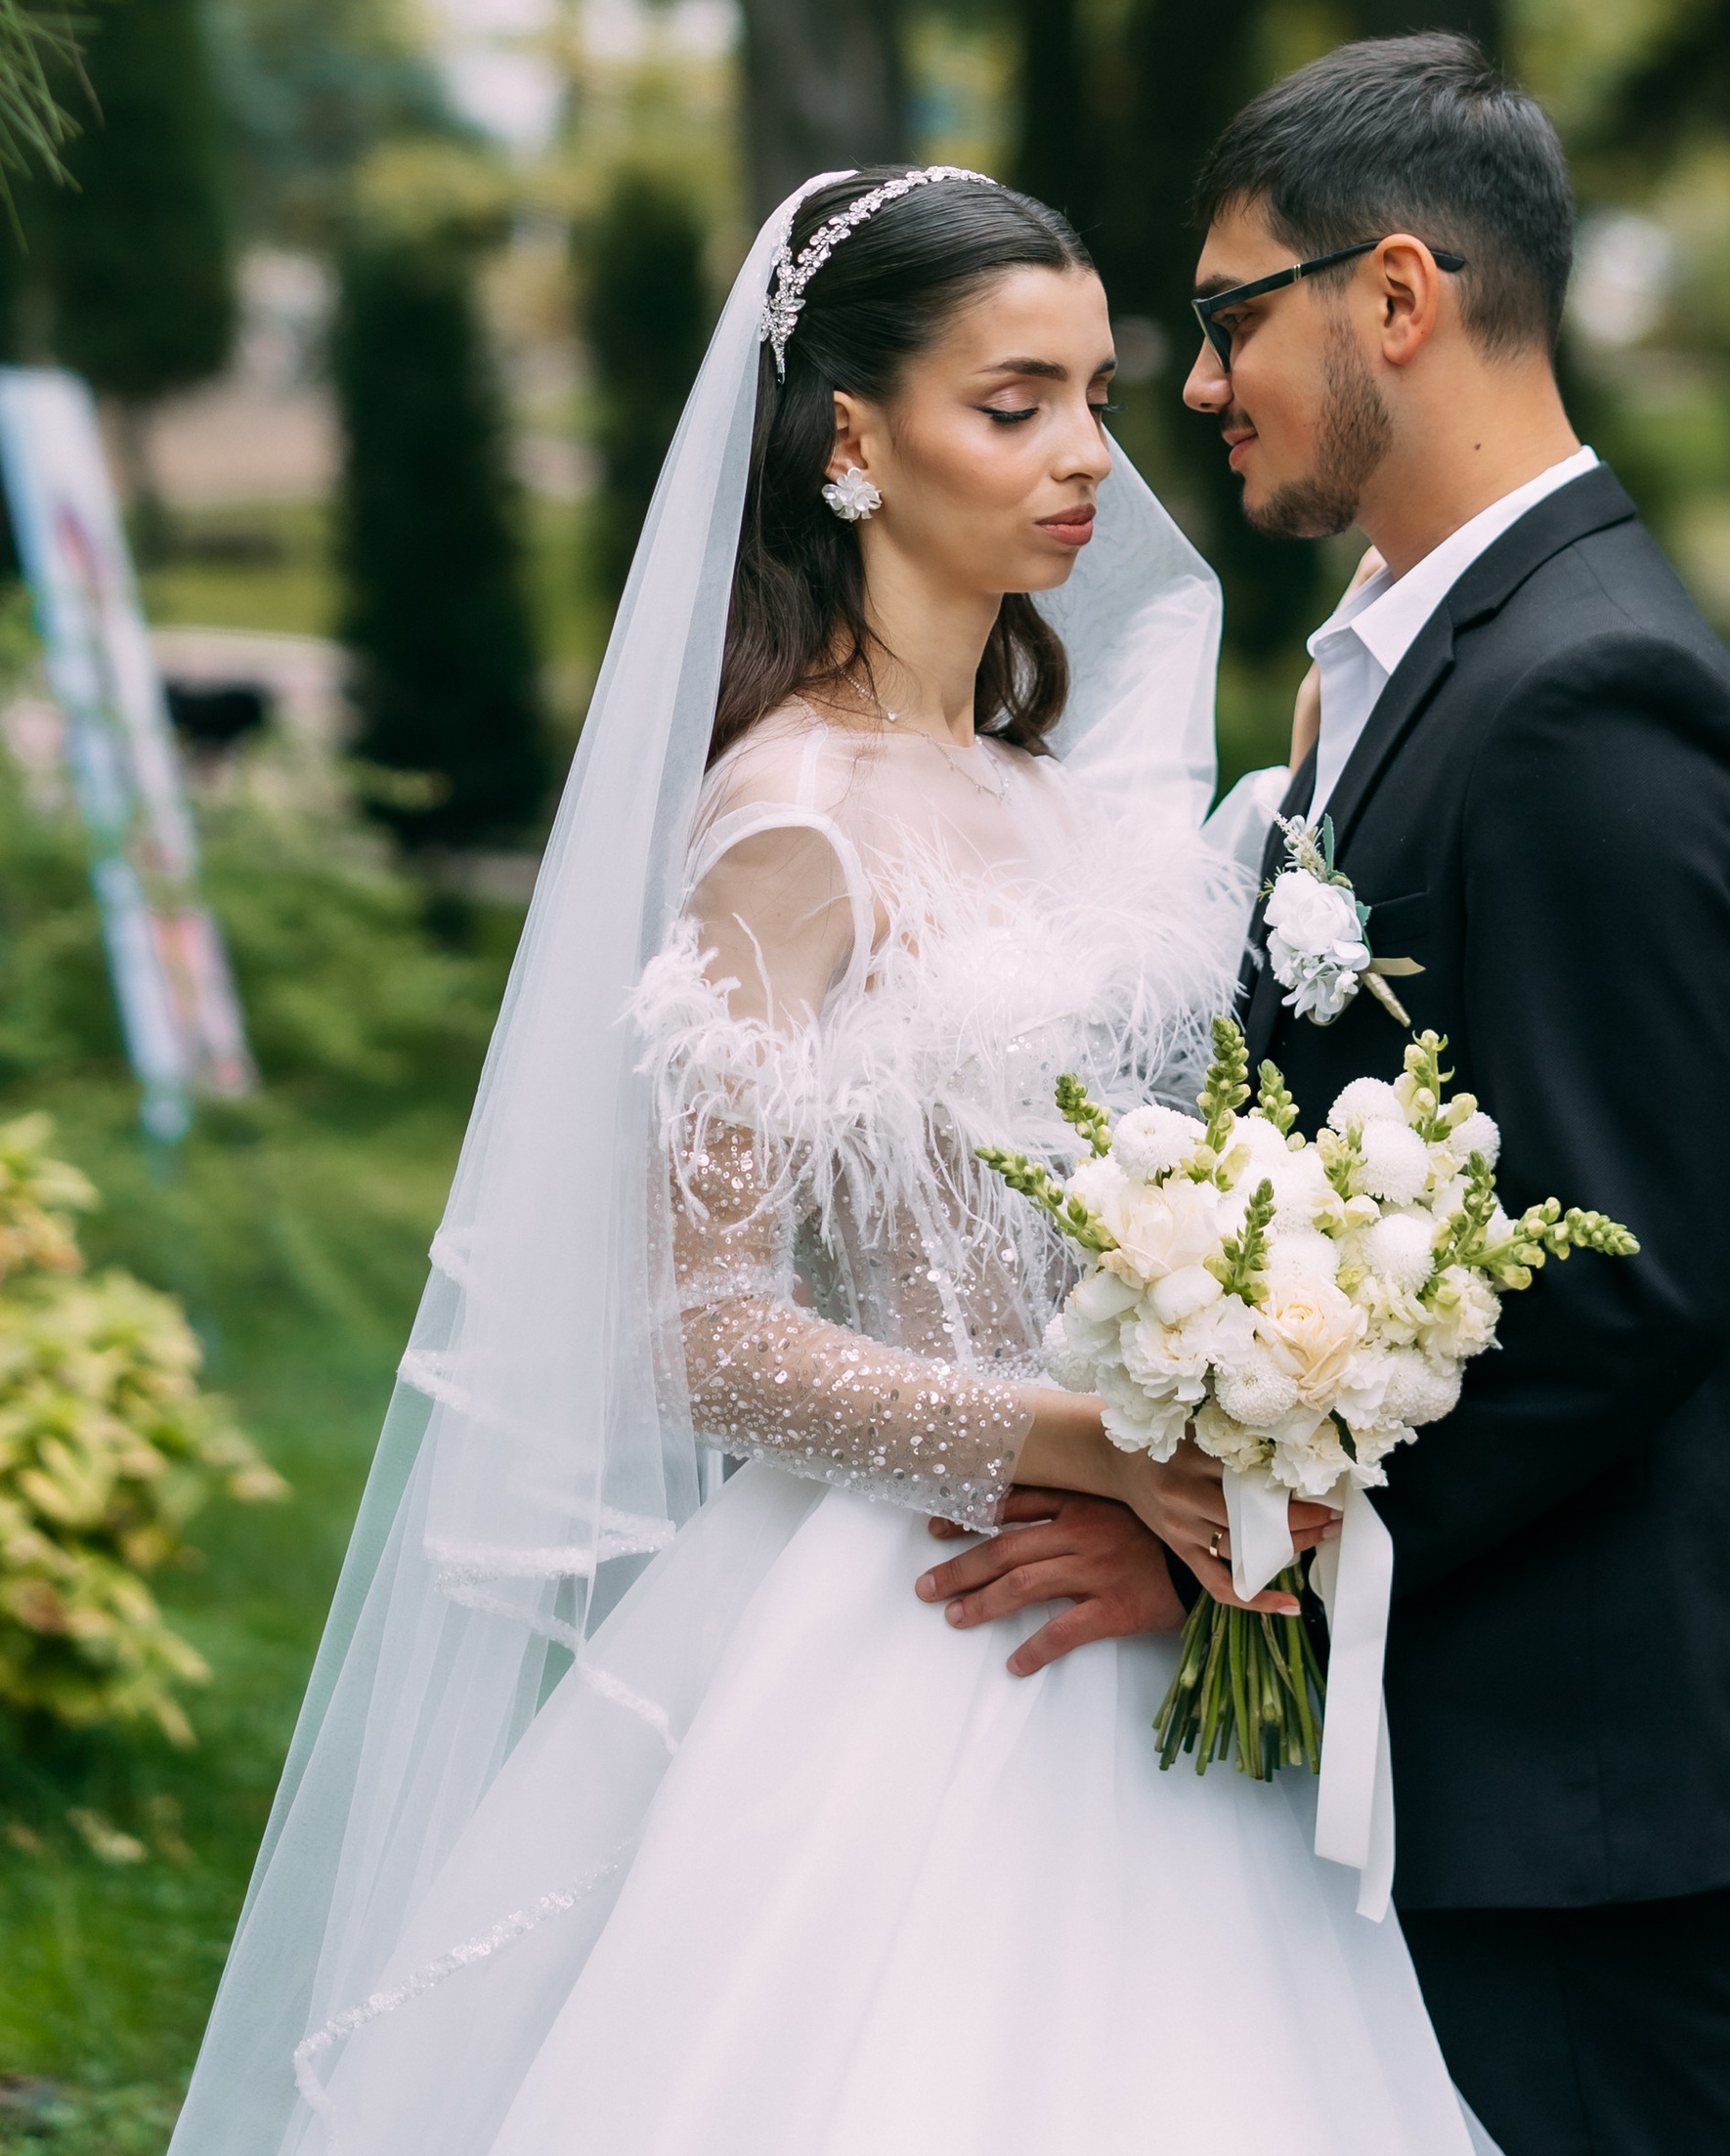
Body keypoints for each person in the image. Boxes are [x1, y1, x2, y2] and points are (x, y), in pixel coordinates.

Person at [170, 169, 1491, 2156]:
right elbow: (702, 1339)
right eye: (1012, 402)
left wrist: (1227, 1402)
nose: (1079, 461)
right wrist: (1090, 1443)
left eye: (1096, 398)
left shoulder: (1063, 807)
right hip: (911, 1619)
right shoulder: (785, 828)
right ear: (853, 439)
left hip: (1122, 1613)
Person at [1179, 32, 1730, 2156]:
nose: (1197, 386)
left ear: (1393, 300)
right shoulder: (1418, 652)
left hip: (1571, 1774)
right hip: (1465, 1748)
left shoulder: (1590, 693)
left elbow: (1619, 1276)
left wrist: (1249, 1547)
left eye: (1226, 320)